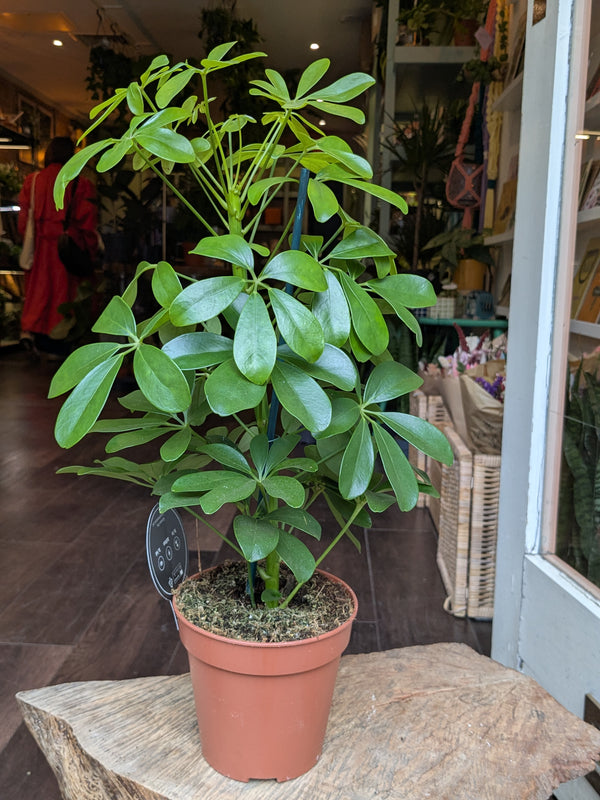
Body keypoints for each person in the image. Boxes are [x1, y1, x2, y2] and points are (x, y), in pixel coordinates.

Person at [17, 136, 98, 359]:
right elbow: (87, 222)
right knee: (65, 296)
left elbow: (24, 222)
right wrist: (90, 251)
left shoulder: (32, 181)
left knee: (39, 293)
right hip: (67, 248)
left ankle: (34, 334)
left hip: (41, 247)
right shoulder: (80, 183)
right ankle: (60, 343)